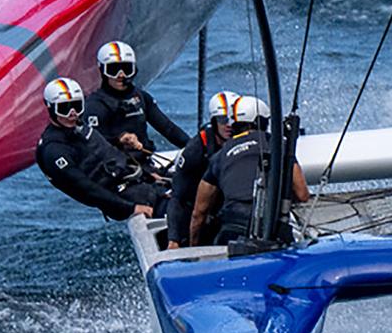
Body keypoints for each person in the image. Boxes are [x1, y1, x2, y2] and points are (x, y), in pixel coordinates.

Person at [35, 77, 168, 221]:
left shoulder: (78, 127)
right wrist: (131, 208)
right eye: (64, 109)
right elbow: (86, 188)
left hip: (137, 179)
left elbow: (105, 151)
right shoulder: (54, 150)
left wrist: (120, 140)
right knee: (174, 206)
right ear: (51, 108)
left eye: (77, 106)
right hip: (124, 196)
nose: (72, 114)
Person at [189, 94, 311, 246]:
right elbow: (302, 194)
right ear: (262, 121)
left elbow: (199, 213)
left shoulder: (219, 156)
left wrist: (193, 248)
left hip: (231, 227)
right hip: (269, 226)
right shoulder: (278, 145)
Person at [84, 41, 189, 172]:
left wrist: (195, 147)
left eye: (126, 69)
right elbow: (92, 145)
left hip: (144, 164)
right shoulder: (95, 105)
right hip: (114, 170)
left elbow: (168, 129)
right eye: (114, 70)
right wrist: (119, 140)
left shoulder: (142, 97)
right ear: (102, 71)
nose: (121, 75)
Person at [165, 90, 237, 248]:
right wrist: (174, 239)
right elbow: (178, 198)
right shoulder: (195, 151)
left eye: (233, 119)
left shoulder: (245, 142)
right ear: (214, 121)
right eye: (223, 120)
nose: (229, 125)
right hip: (197, 207)